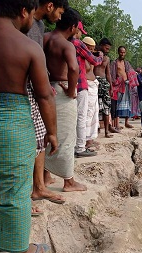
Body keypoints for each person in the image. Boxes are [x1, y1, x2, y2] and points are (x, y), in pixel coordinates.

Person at [0, 0, 57, 253]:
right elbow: (44, 96)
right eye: (32, 13)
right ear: (23, 11)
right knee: (18, 186)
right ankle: (21, 249)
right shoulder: (29, 46)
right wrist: (52, 133)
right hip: (11, 124)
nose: (32, 19)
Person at [27, 0, 68, 206]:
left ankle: (39, 187)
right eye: (60, 12)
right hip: (26, 89)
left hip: (38, 88)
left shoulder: (40, 26)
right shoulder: (24, 24)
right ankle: (27, 192)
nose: (59, 18)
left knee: (40, 139)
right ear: (50, 5)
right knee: (29, 141)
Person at [44, 8, 87, 192]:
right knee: (67, 136)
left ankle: (45, 176)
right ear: (72, 27)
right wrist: (71, 90)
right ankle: (68, 181)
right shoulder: (66, 44)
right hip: (61, 91)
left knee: (45, 135)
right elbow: (73, 68)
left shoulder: (44, 38)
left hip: (45, 88)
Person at [71, 21, 103, 158]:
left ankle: (82, 143)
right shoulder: (77, 44)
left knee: (82, 116)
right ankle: (80, 146)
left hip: (73, 85)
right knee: (82, 116)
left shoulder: (63, 43)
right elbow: (95, 61)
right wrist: (100, 56)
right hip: (81, 84)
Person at [94, 38, 118, 138]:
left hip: (104, 83)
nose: (107, 50)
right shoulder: (93, 54)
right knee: (95, 107)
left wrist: (111, 87)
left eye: (109, 49)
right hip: (94, 81)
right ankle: (96, 130)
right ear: (101, 45)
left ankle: (107, 131)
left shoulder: (107, 59)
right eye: (106, 48)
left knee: (106, 107)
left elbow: (108, 74)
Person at [82, 36, 101, 149]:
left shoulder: (90, 58)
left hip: (93, 86)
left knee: (93, 113)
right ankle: (84, 141)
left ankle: (90, 139)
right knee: (87, 114)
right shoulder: (82, 57)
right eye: (90, 49)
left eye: (93, 49)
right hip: (87, 86)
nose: (92, 51)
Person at [111, 46, 134, 129]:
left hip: (127, 85)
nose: (122, 54)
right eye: (121, 52)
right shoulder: (114, 63)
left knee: (128, 103)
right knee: (118, 104)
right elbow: (112, 75)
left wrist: (131, 81)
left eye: (124, 52)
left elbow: (131, 72)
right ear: (118, 52)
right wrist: (115, 83)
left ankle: (126, 122)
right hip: (118, 86)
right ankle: (116, 124)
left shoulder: (126, 63)